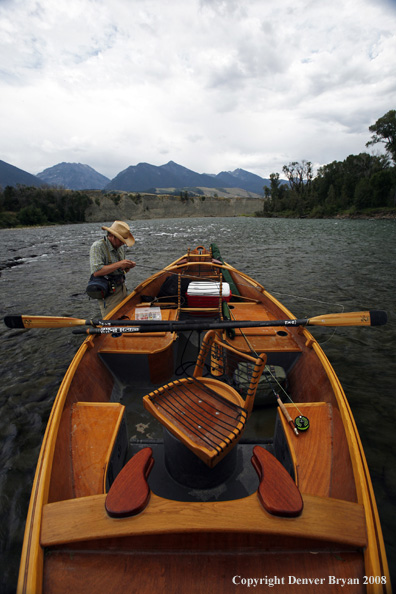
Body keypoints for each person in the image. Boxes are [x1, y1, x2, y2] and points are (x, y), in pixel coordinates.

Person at [90, 220, 136, 317]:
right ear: (112, 236)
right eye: (121, 240)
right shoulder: (98, 247)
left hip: (122, 289)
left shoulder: (119, 247)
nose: (123, 243)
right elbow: (97, 272)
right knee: (112, 321)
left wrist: (127, 267)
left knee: (124, 317)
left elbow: (120, 270)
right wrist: (120, 264)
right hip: (109, 294)